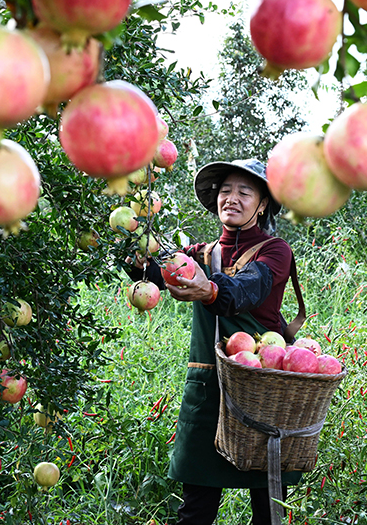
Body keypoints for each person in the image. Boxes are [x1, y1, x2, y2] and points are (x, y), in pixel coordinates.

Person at [123, 158, 301, 525]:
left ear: (262, 204)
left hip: (261, 387)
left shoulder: (275, 251)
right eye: (226, 191)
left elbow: (248, 288)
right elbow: (153, 275)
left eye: (244, 192)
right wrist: (133, 246)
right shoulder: (198, 256)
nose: (232, 198)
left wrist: (211, 289)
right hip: (207, 389)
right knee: (195, 511)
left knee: (268, 511)